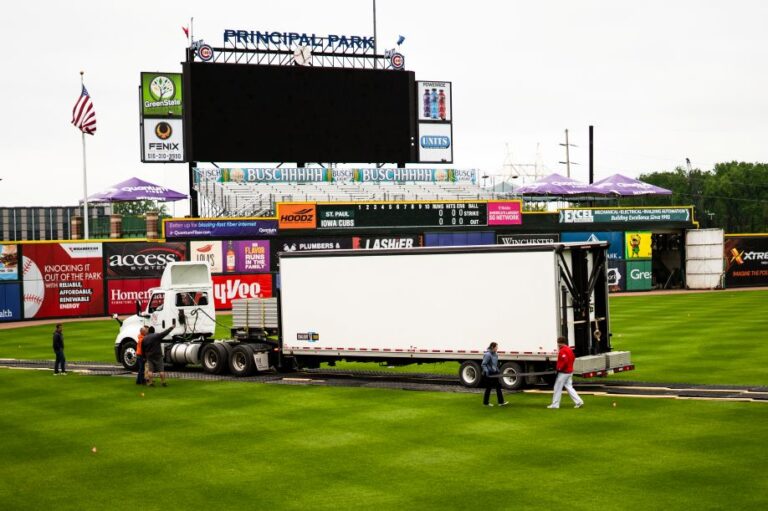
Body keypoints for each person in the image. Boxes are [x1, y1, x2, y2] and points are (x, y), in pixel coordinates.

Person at [547, 336, 584, 409]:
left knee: (557, 387)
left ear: (559, 343)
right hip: (570, 371)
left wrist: (559, 368)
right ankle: (579, 401)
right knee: (569, 387)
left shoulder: (562, 350)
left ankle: (555, 404)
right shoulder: (569, 349)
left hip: (564, 373)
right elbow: (573, 358)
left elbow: (565, 360)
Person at [481, 342, 508, 407]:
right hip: (489, 374)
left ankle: (501, 402)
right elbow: (483, 364)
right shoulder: (488, 355)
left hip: (494, 373)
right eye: (496, 347)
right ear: (493, 347)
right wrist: (487, 372)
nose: (497, 348)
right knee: (488, 388)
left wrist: (497, 370)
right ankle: (485, 403)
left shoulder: (495, 354)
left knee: (498, 386)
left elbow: (495, 364)